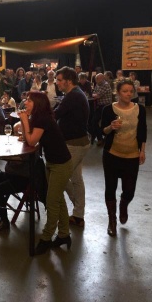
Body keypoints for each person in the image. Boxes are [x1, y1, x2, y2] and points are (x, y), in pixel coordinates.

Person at [17, 91, 74, 255]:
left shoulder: (41, 118)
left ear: (37, 103)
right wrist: (26, 124)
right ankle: (64, 234)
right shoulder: (39, 117)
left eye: (28, 100)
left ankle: (47, 238)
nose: (25, 102)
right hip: (53, 162)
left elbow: (32, 140)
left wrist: (24, 121)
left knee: (51, 202)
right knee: (58, 200)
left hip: (61, 164)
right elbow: (30, 138)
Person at [100, 80, 147, 236]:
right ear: (118, 93)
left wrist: (142, 150)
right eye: (125, 91)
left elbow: (143, 130)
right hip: (112, 154)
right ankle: (111, 220)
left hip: (132, 155)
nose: (128, 94)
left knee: (129, 190)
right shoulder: (109, 109)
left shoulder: (140, 109)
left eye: (130, 91)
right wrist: (110, 127)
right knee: (110, 187)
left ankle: (124, 204)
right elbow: (102, 131)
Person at [54, 67, 91, 229]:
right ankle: (78, 214)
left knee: (59, 178)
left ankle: (77, 208)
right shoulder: (75, 94)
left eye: (59, 80)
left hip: (75, 144)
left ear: (68, 81)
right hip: (80, 142)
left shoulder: (73, 96)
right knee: (76, 179)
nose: (57, 83)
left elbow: (56, 114)